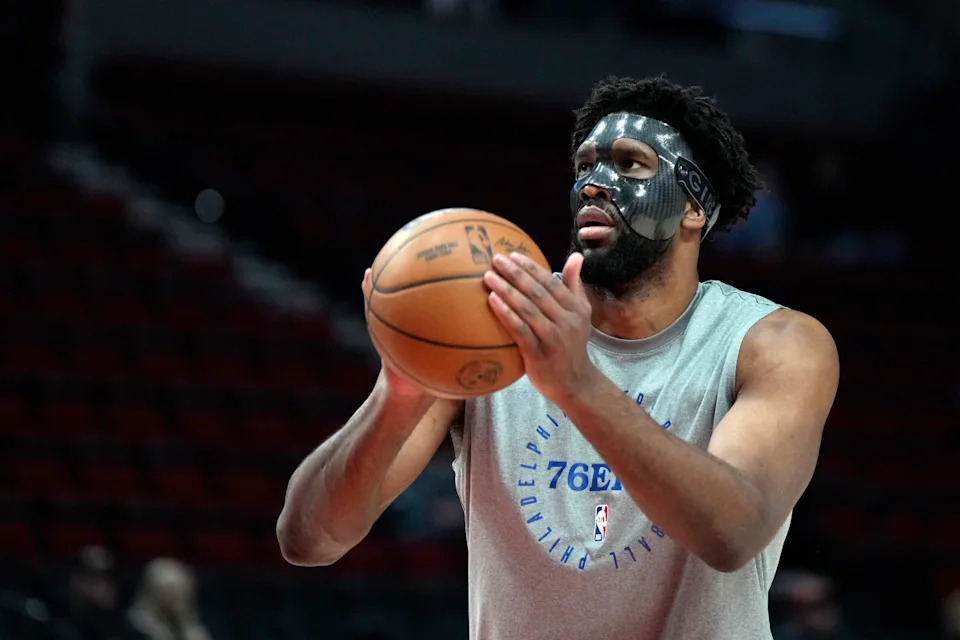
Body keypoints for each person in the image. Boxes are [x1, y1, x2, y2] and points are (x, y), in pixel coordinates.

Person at [277, 75, 839, 639]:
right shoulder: (491, 326)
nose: (594, 184)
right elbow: (310, 540)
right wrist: (399, 391)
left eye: (630, 164)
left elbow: (733, 533)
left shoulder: (772, 343)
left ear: (693, 206)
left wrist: (578, 385)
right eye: (584, 166)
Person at [126, 558, 213, 640]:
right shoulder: (138, 628)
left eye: (182, 589)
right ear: (153, 592)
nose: (178, 596)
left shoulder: (190, 623)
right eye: (170, 590)